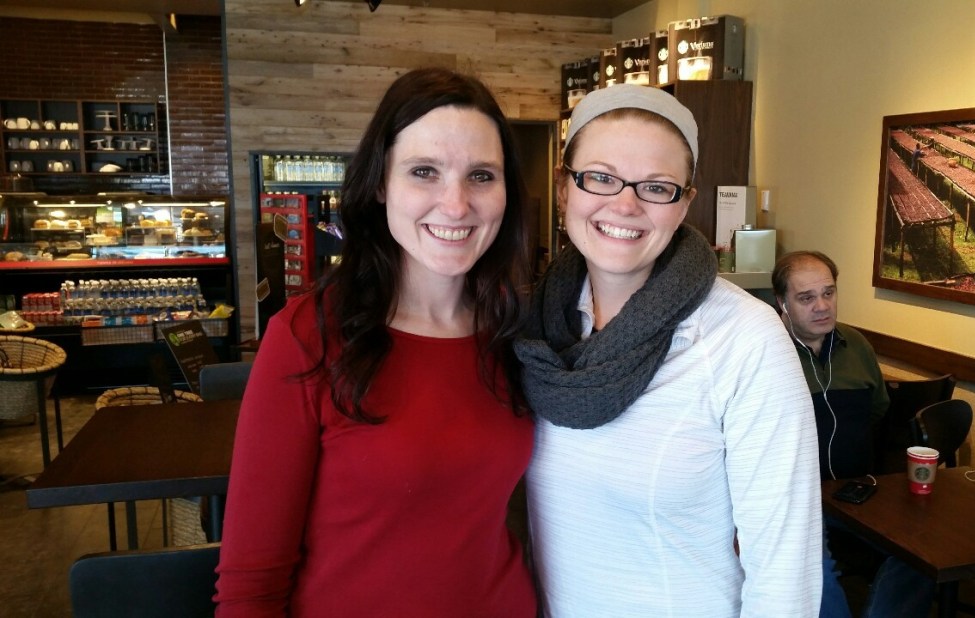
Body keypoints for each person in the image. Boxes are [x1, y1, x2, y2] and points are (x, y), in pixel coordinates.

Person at [214, 68, 536, 617]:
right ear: (381, 183)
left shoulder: (515, 329)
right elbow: (251, 584)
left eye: (481, 176)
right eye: (424, 171)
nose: (456, 204)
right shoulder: (308, 335)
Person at [514, 85, 822, 617]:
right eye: (601, 177)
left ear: (684, 205)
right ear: (564, 189)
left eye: (657, 187)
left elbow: (785, 571)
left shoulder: (744, 337)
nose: (625, 205)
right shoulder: (534, 328)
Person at [772, 250, 934, 618]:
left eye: (828, 293)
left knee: (923, 551)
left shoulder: (857, 346)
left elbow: (877, 410)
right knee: (815, 572)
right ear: (782, 303)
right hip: (793, 499)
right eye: (806, 298)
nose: (822, 306)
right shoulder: (764, 352)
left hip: (856, 491)